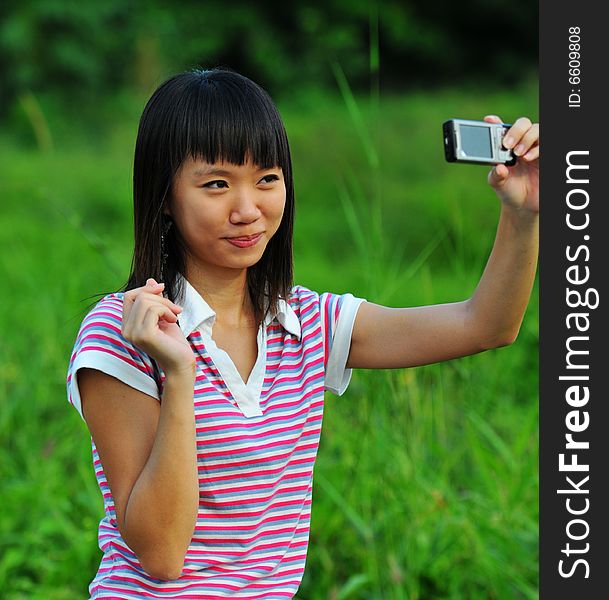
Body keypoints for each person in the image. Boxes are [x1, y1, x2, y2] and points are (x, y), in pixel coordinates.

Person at [66, 68, 539, 598]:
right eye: (216, 184)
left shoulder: (308, 323)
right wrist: (179, 375)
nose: (248, 210)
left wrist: (523, 215)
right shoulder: (123, 333)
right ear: (164, 198)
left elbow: (486, 325)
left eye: (267, 179)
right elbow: (162, 553)